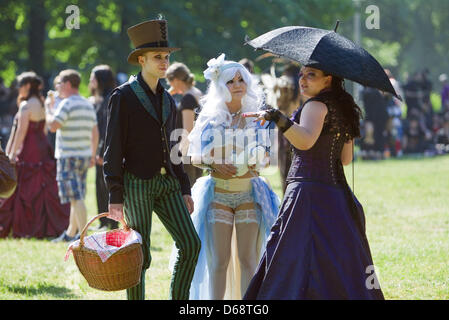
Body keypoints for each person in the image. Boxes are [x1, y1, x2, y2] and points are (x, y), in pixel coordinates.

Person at [243, 66, 384, 299]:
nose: (303, 80)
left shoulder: (315, 105)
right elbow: (346, 159)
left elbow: (306, 141)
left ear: (328, 79)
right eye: (301, 74)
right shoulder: (343, 108)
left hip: (307, 192)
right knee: (336, 260)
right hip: (337, 195)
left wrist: (277, 117)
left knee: (292, 257)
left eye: (311, 75)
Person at [103, 19, 200, 300]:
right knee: (139, 257)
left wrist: (184, 186)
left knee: (191, 244)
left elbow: (174, 146)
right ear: (141, 59)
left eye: (167, 57)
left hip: (167, 181)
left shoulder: (169, 99)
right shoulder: (122, 96)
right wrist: (115, 194)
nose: (164, 61)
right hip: (136, 184)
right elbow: (113, 147)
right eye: (158, 57)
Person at [179, 53, 280, 300]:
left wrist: (257, 161)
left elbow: (269, 159)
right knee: (219, 262)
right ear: (220, 86)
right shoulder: (209, 118)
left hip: (249, 194)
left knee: (249, 260)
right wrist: (213, 162)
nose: (237, 85)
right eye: (230, 81)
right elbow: (191, 156)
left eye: (241, 80)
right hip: (219, 195)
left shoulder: (260, 118)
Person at [0, 71, 70, 238]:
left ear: (27, 86)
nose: (18, 89)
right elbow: (45, 130)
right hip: (42, 148)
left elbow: (20, 133)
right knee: (44, 187)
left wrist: (10, 155)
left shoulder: (25, 106)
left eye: (20, 86)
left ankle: (23, 226)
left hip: (28, 150)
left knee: (23, 186)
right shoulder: (41, 102)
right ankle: (48, 227)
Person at [46, 69, 99, 242]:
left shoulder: (66, 104)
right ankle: (70, 233)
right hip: (84, 156)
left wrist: (48, 108)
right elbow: (95, 131)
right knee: (77, 197)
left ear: (68, 84)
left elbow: (53, 126)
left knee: (75, 197)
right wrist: (92, 154)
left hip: (68, 156)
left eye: (60, 83)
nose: (58, 87)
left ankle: (83, 236)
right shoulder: (86, 104)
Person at [88, 64, 118, 230]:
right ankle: (103, 221)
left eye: (93, 77)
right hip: (101, 148)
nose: (90, 80)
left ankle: (112, 222)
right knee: (99, 186)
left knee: (107, 186)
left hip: (107, 149)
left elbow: (107, 129)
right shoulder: (99, 99)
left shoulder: (110, 99)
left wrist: (101, 152)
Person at [166, 62, 203, 186]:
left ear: (175, 80)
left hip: (187, 154)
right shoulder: (196, 92)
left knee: (187, 193)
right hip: (198, 151)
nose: (169, 85)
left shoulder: (188, 98)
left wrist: (180, 157)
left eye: (169, 82)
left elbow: (188, 130)